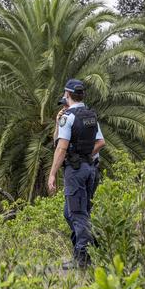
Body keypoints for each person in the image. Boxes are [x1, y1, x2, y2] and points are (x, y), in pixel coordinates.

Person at [48, 79, 105, 269]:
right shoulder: (90, 115)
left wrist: (52, 174)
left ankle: (82, 259)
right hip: (91, 169)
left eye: (64, 95)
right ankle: (89, 248)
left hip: (76, 171)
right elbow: (100, 143)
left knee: (78, 214)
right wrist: (85, 154)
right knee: (70, 213)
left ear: (67, 94)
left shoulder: (68, 117)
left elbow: (60, 147)